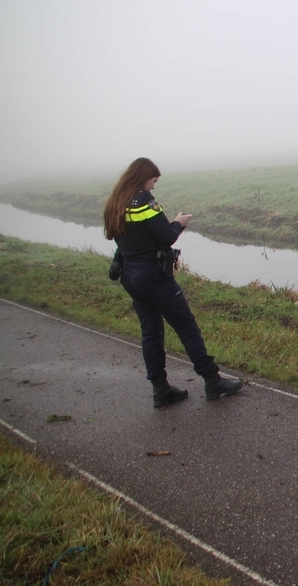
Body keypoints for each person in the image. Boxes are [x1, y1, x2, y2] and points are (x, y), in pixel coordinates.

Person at [103, 157, 243, 407]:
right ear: (143, 177)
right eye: (153, 181)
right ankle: (212, 380)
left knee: (151, 332)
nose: (153, 187)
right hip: (153, 276)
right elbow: (165, 236)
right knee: (186, 326)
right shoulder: (144, 200)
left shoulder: (116, 201)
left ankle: (160, 388)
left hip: (130, 275)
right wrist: (179, 223)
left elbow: (127, 238)